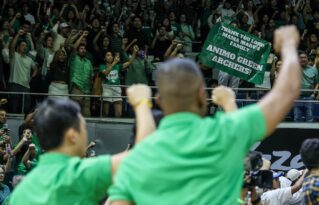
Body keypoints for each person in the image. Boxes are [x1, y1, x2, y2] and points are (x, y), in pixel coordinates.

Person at [108, 25, 302, 205]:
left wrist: (142, 105)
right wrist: (288, 46)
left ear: (159, 100)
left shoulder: (140, 158)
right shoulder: (225, 132)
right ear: (203, 94)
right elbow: (287, 92)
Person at [9, 84, 155, 205]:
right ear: (72, 136)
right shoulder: (81, 174)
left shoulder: (20, 193)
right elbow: (141, 158)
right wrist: (142, 104)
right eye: (84, 128)